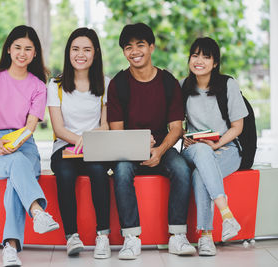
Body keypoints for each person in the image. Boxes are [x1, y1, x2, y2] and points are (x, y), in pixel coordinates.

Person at [107, 23, 195, 260]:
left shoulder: (168, 82)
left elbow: (176, 128)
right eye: (128, 47)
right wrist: (137, 145)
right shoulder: (118, 84)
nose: (134, 51)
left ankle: (177, 236)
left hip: (162, 146)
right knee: (122, 171)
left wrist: (159, 150)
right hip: (128, 148)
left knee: (181, 168)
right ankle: (131, 238)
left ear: (152, 47)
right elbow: (117, 131)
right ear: (123, 52)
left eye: (140, 45)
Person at [0, 25, 59, 267]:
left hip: (25, 145)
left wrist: (17, 142)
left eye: (28, 49)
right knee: (16, 165)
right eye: (17, 47)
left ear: (35, 53)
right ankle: (37, 212)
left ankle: (10, 248)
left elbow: (31, 124)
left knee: (17, 170)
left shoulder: (38, 85)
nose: (22, 53)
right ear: (8, 50)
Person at [180, 37, 248, 256]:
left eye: (206, 57)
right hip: (194, 148)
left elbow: (238, 126)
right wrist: (185, 135)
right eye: (195, 55)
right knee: (201, 151)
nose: (199, 61)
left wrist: (217, 143)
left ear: (215, 63)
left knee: (201, 174)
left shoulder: (228, 84)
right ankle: (226, 214)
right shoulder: (183, 86)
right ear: (189, 58)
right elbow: (172, 124)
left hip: (226, 147)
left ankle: (206, 237)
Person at [47, 27, 111, 259]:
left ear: (95, 53)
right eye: (75, 49)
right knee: (64, 174)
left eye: (86, 49)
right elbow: (59, 129)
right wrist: (80, 140)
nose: (80, 54)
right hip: (65, 147)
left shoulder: (105, 84)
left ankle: (103, 235)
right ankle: (71, 237)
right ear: (68, 53)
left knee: (98, 172)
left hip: (94, 147)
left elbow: (106, 125)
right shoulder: (55, 85)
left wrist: (88, 139)